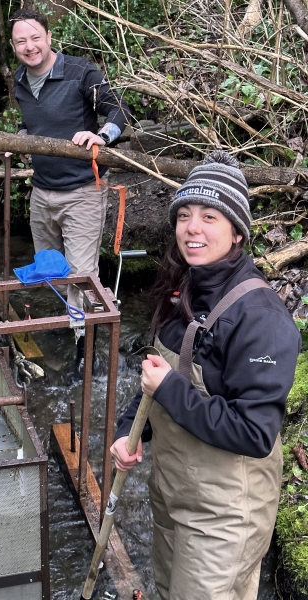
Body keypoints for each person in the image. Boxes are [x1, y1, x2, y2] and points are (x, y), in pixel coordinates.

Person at [110, 150, 301, 600]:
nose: (192, 228)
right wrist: (127, 433)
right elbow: (158, 378)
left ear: (237, 232)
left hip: (224, 518)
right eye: (185, 215)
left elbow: (254, 432)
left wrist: (171, 390)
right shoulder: (183, 287)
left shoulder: (262, 319)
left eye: (210, 216)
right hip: (172, 495)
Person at [9, 8, 131, 380]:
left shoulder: (81, 72)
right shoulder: (19, 82)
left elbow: (118, 111)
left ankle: (87, 351)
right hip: (42, 192)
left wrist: (102, 135)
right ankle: (77, 324)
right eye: (20, 41)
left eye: (35, 38)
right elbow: (31, 124)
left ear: (48, 38)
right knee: (51, 269)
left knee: (82, 274)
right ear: (14, 47)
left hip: (83, 190)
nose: (29, 47)